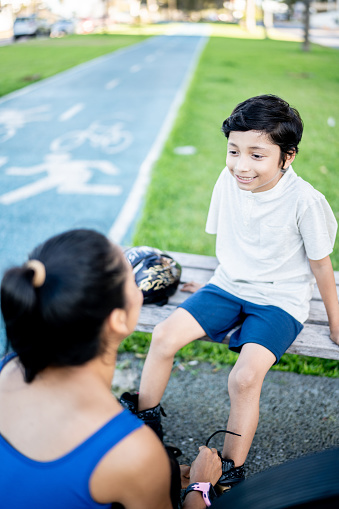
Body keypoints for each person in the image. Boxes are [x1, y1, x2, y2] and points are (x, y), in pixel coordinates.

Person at [122, 94, 339, 492]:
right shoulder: (230, 180)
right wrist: (211, 285)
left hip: (280, 300)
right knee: (164, 335)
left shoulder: (306, 202)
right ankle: (145, 418)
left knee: (243, 379)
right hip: (228, 285)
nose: (241, 165)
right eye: (234, 150)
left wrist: (336, 323)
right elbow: (234, 238)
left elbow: (321, 266)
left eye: (257, 155)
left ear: (287, 157)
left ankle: (229, 468)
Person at [0, 228, 222, 509]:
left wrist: (153, 475)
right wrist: (199, 487)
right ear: (118, 319)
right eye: (131, 275)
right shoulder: (133, 453)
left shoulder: (6, 369)